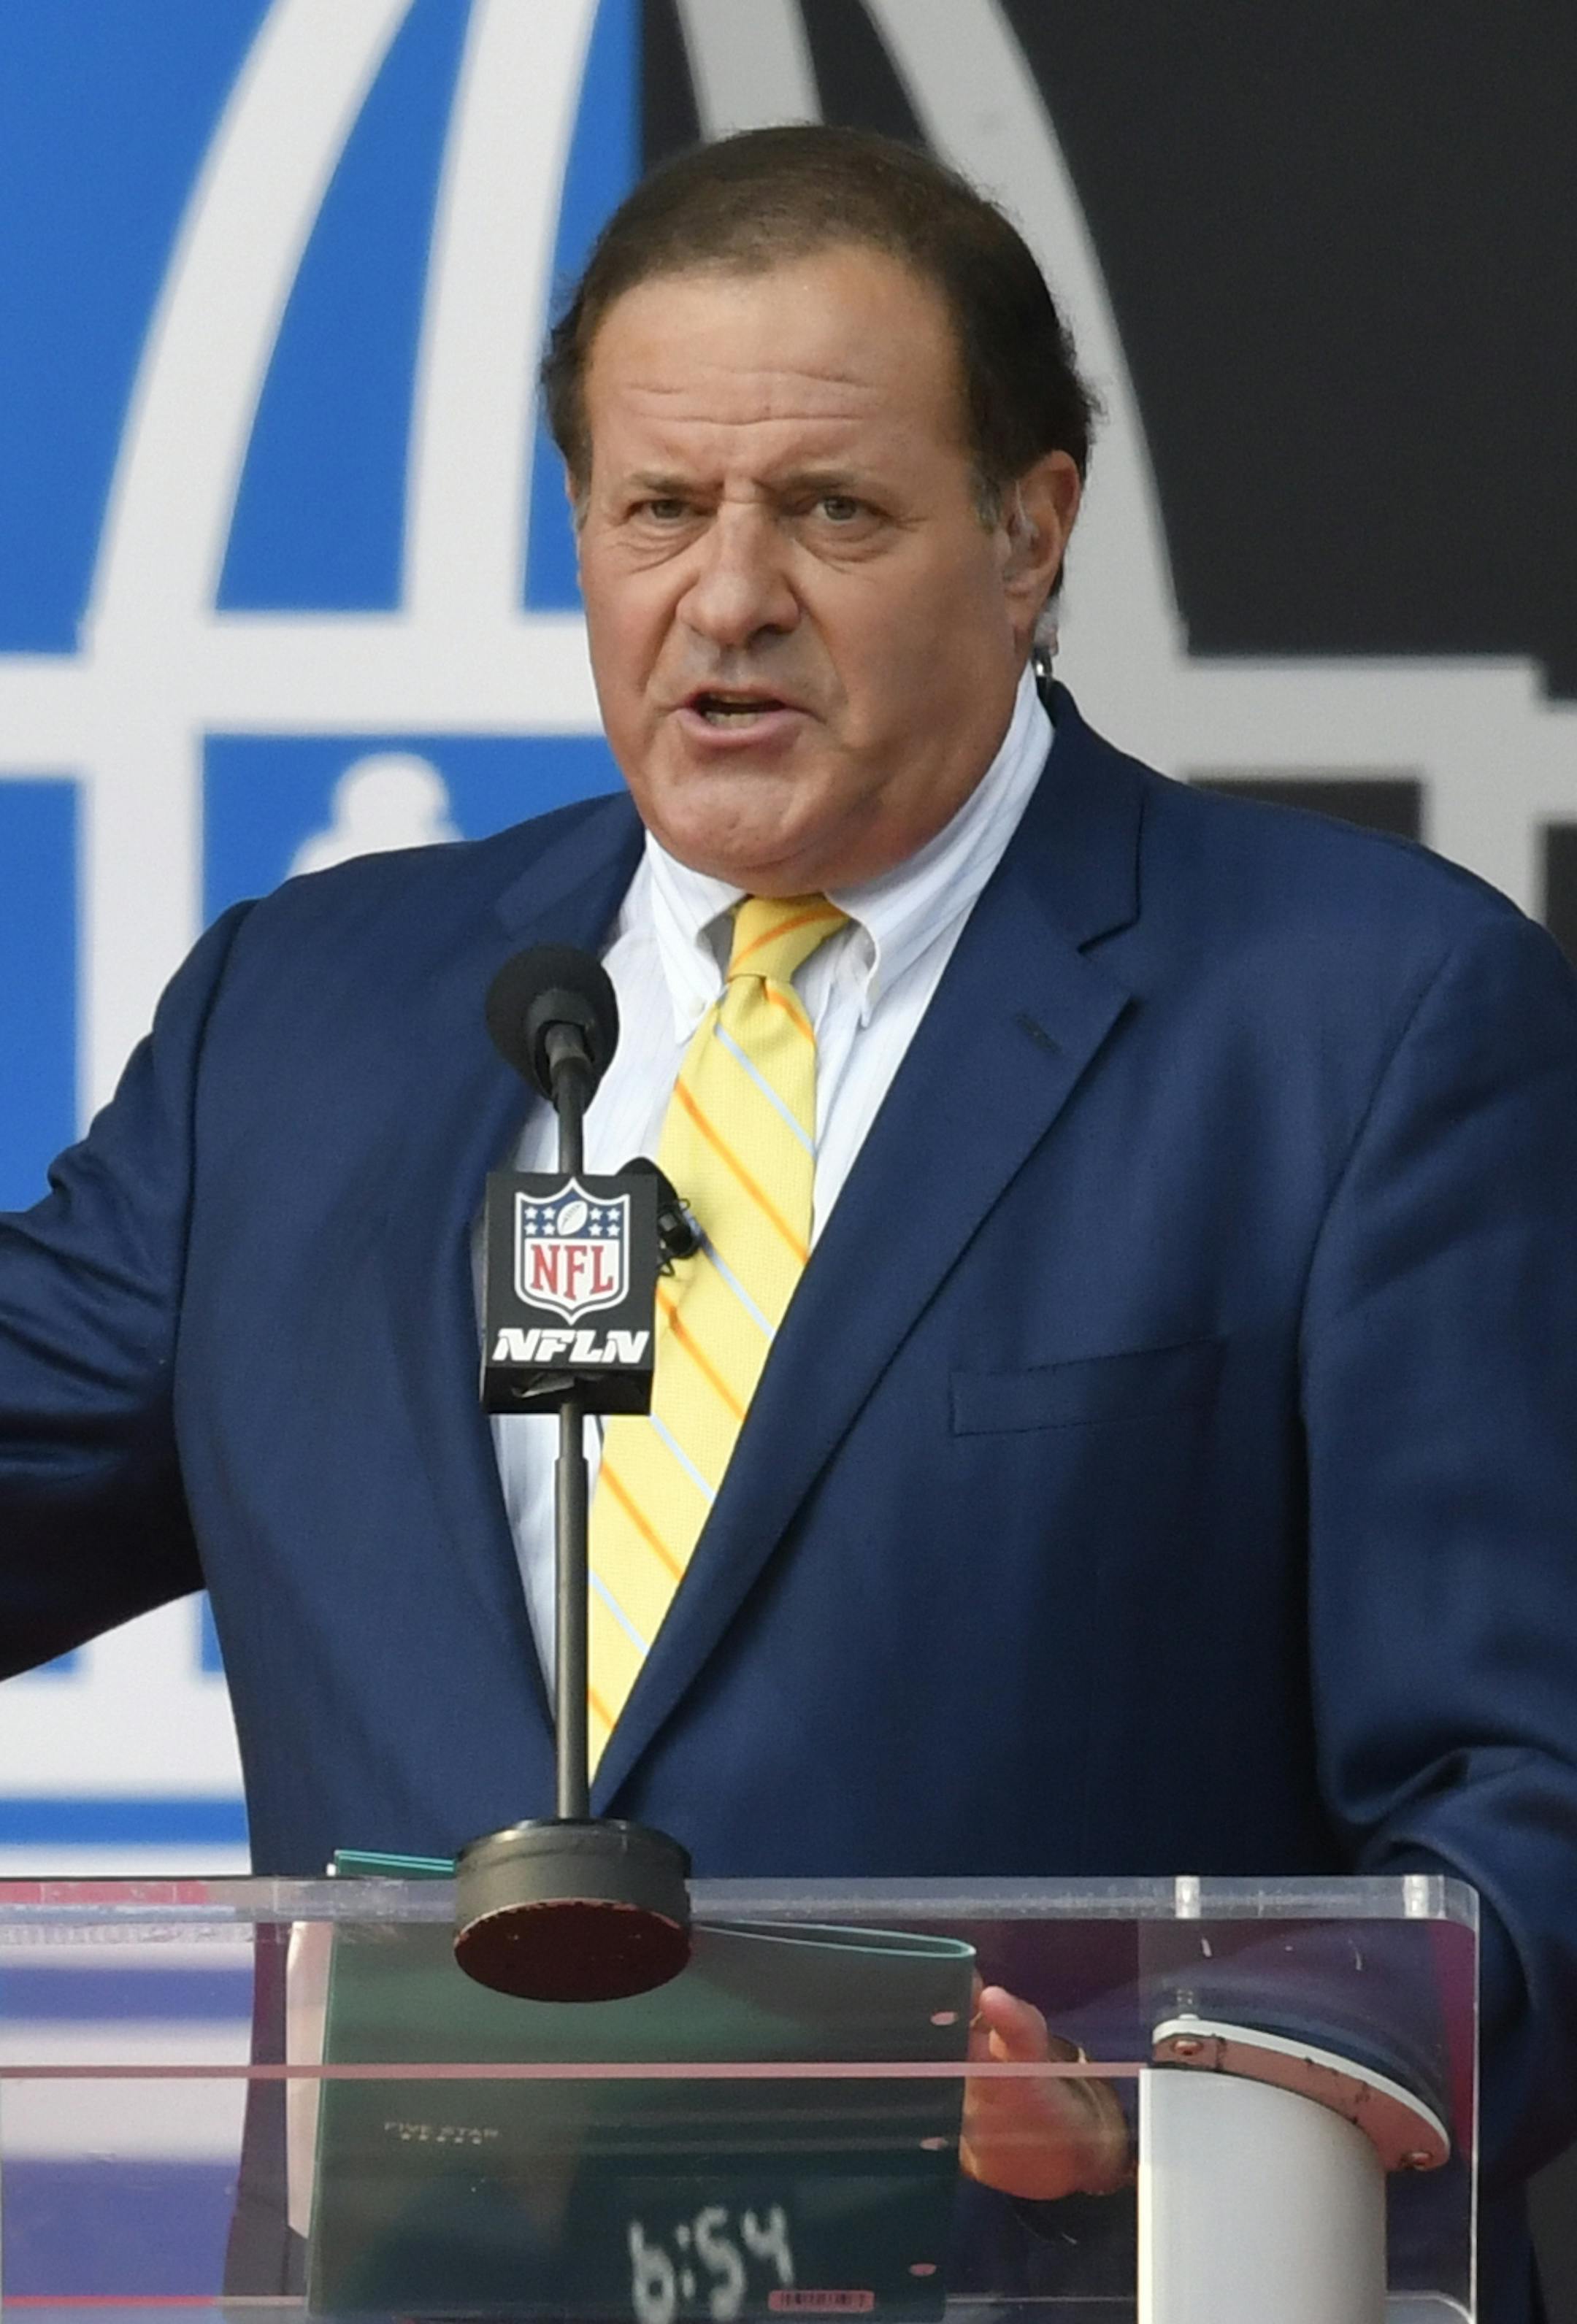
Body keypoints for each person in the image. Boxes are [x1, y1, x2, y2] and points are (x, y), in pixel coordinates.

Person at [2, 126, 1576, 2316]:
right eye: (659, 510)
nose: (725, 595)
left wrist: (1148, 2095)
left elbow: (1532, 1798)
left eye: (829, 510)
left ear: (1032, 535)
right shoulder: (314, 1016)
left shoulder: (1357, 1021)